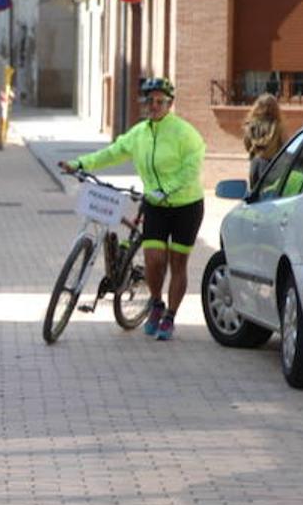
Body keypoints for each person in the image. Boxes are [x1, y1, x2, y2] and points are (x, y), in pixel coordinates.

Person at [59, 77, 205, 341]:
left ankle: (170, 316)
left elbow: (192, 168)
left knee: (177, 263)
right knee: (154, 259)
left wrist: (168, 188)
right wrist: (79, 163)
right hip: (155, 205)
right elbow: (111, 153)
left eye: (161, 101)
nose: (155, 105)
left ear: (170, 104)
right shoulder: (139, 134)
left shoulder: (185, 133)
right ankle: (157, 304)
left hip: (186, 206)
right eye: (150, 101)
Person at [242, 93, 284, 189]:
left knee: (255, 197)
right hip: (273, 165)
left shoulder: (250, 125)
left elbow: (247, 145)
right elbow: (283, 146)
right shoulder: (277, 126)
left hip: (256, 164)